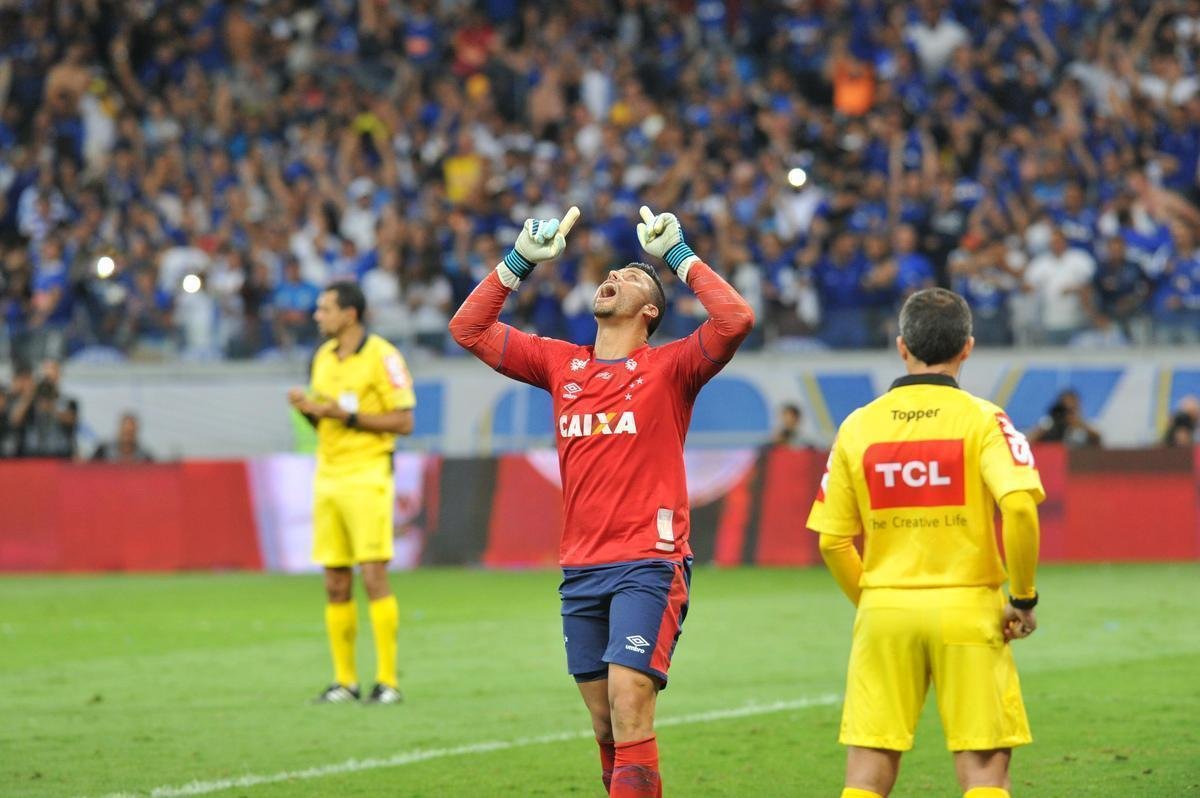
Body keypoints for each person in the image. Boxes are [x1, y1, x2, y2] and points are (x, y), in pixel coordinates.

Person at [450, 206, 754, 797]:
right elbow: (469, 330)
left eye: (633, 278)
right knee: (604, 723)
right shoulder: (561, 364)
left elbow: (736, 318)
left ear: (650, 312)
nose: (613, 275)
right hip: (582, 566)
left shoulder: (671, 369)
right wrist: (518, 263)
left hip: (649, 560)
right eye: (612, 272)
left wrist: (678, 258)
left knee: (629, 702)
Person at [806, 287, 1044, 798]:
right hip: (969, 608)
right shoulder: (985, 420)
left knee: (867, 774)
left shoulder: (858, 426)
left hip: (886, 611)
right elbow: (1020, 507)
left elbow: (833, 541)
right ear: (967, 348)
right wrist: (1022, 598)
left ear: (901, 347)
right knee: (983, 773)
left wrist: (873, 599)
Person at [286, 281, 416, 705]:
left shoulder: (384, 356)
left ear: (350, 314)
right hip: (328, 476)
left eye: (325, 309)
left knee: (374, 576)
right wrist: (310, 412)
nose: (317, 316)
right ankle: (344, 680)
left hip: (368, 475)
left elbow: (403, 421)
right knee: (335, 582)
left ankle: (388, 681)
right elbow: (328, 422)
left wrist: (350, 416)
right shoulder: (322, 358)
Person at [1027, 389, 1102, 448]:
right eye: (1066, 410)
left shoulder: (1083, 425)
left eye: (1072, 409)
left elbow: (1098, 440)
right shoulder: (1049, 422)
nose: (1068, 414)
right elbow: (1029, 440)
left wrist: (1080, 425)